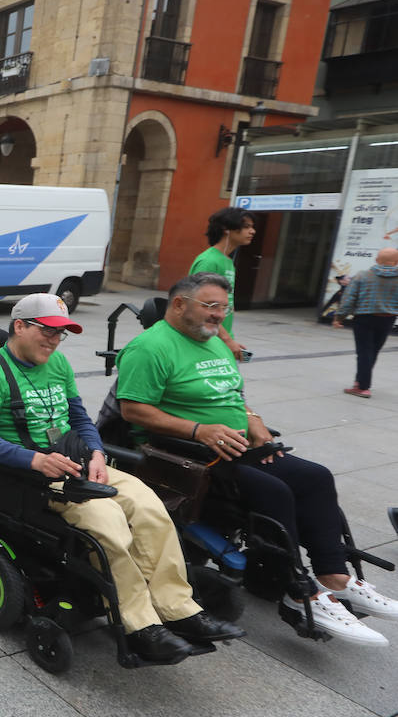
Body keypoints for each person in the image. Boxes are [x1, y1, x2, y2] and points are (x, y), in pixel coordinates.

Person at [117, 272, 398, 645]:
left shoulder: (214, 342)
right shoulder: (150, 348)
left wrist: (253, 420)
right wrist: (200, 430)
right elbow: (133, 410)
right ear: (179, 304)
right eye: (211, 306)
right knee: (274, 492)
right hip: (187, 456)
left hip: (239, 447)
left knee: (316, 477)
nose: (219, 315)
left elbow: (232, 394)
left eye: (224, 308)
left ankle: (336, 577)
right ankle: (297, 591)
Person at [0, 293, 245, 663]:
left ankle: (179, 608)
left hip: (78, 462)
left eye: (61, 334)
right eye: (47, 331)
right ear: (19, 326)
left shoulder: (58, 363)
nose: (54, 340)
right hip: (29, 476)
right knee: (108, 521)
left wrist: (96, 451)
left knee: (150, 507)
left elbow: (80, 419)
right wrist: (35, 460)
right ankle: (141, 625)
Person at [189, 207, 254, 360]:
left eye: (252, 227)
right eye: (246, 227)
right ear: (226, 228)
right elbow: (198, 306)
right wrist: (227, 340)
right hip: (204, 340)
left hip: (217, 337)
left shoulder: (227, 261)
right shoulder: (209, 261)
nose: (252, 231)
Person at [333, 248, 398, 398]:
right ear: (396, 262)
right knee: (373, 351)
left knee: (364, 352)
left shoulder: (362, 276)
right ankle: (360, 382)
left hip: (364, 318)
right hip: (387, 319)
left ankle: (362, 387)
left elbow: (349, 299)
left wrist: (339, 318)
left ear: (376, 260)